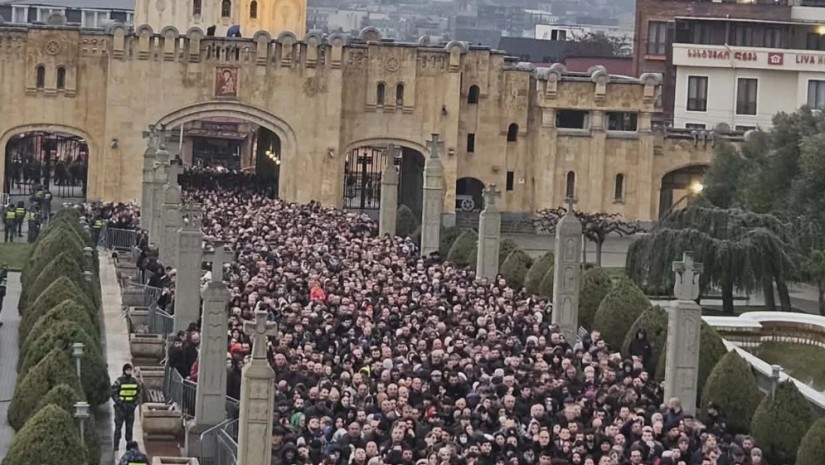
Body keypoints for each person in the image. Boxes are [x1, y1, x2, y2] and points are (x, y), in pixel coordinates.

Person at [112, 363, 141, 450]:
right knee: (118, 428)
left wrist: (134, 404)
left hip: (130, 409)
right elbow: (113, 393)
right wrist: (120, 403)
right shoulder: (119, 381)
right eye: (127, 370)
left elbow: (139, 394)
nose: (129, 371)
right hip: (120, 409)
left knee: (129, 429)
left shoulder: (134, 381)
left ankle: (129, 446)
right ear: (124, 371)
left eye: (130, 370)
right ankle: (116, 446)